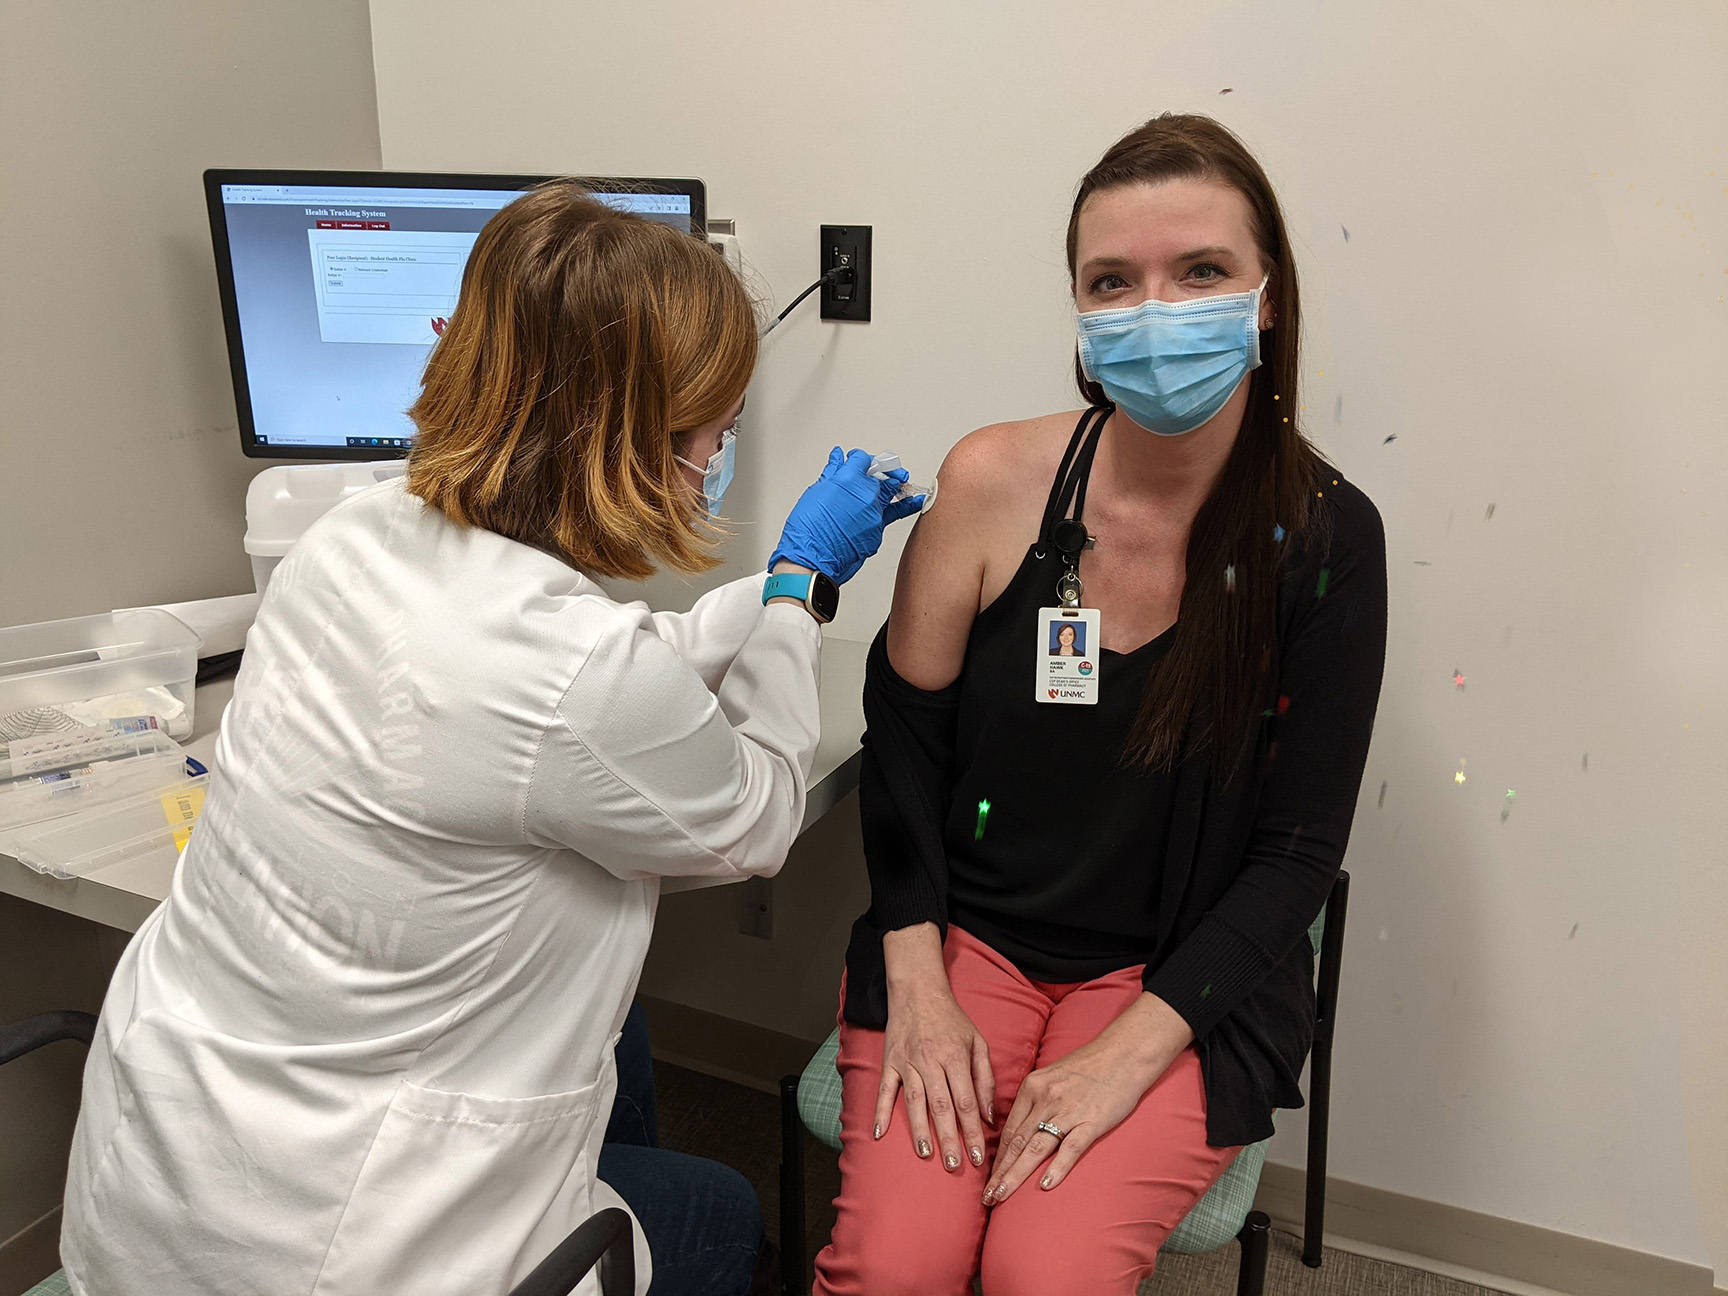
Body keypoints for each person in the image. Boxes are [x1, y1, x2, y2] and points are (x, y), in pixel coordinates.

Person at [59, 182, 920, 1296]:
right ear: (636, 440)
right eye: (719, 427)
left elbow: (600, 675)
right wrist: (798, 592)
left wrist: (774, 590)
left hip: (174, 1158)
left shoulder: (353, 535)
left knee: (624, 1039)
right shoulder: (567, 674)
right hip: (333, 1244)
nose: (720, 451)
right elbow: (750, 816)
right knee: (721, 1210)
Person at [814, 114, 1388, 1295]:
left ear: (1268, 297)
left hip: (1175, 978)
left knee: (1046, 1272)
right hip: (961, 942)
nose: (1156, 311)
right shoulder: (990, 484)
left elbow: (1297, 854)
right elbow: (907, 744)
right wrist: (916, 977)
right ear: (1078, 309)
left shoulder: (1328, 538)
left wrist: (1131, 1051)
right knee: (899, 1266)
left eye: (1203, 273)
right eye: (1113, 281)